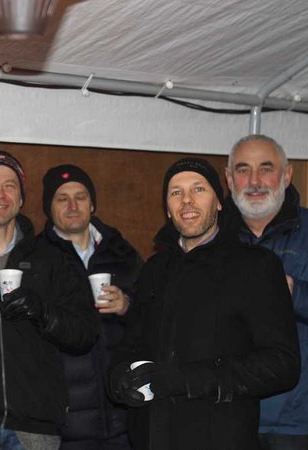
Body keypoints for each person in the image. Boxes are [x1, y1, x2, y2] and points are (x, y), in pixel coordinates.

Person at [108, 158, 300, 450]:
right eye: (175, 192)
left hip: (220, 437)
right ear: (168, 210)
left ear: (220, 203)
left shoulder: (255, 266)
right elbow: (131, 343)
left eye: (198, 189)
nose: (186, 200)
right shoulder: (154, 269)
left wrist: (186, 379)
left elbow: (282, 365)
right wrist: (119, 378)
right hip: (152, 437)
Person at [0, 150, 99, 449]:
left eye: (10, 186)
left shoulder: (52, 259)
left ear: (21, 198)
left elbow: (84, 333)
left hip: (36, 424)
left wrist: (43, 312)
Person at [40, 164, 143, 449]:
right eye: (62, 198)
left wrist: (127, 305)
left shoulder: (122, 253)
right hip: (66, 420)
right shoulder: (37, 258)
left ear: (92, 204)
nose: (73, 206)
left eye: (81, 197)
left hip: (123, 414)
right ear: (49, 208)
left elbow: (156, 317)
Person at [225, 134, 308, 450]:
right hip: (228, 412)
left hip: (297, 423)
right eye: (244, 170)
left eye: (266, 168)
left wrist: (293, 293)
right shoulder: (214, 240)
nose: (255, 181)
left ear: (287, 175)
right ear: (230, 178)